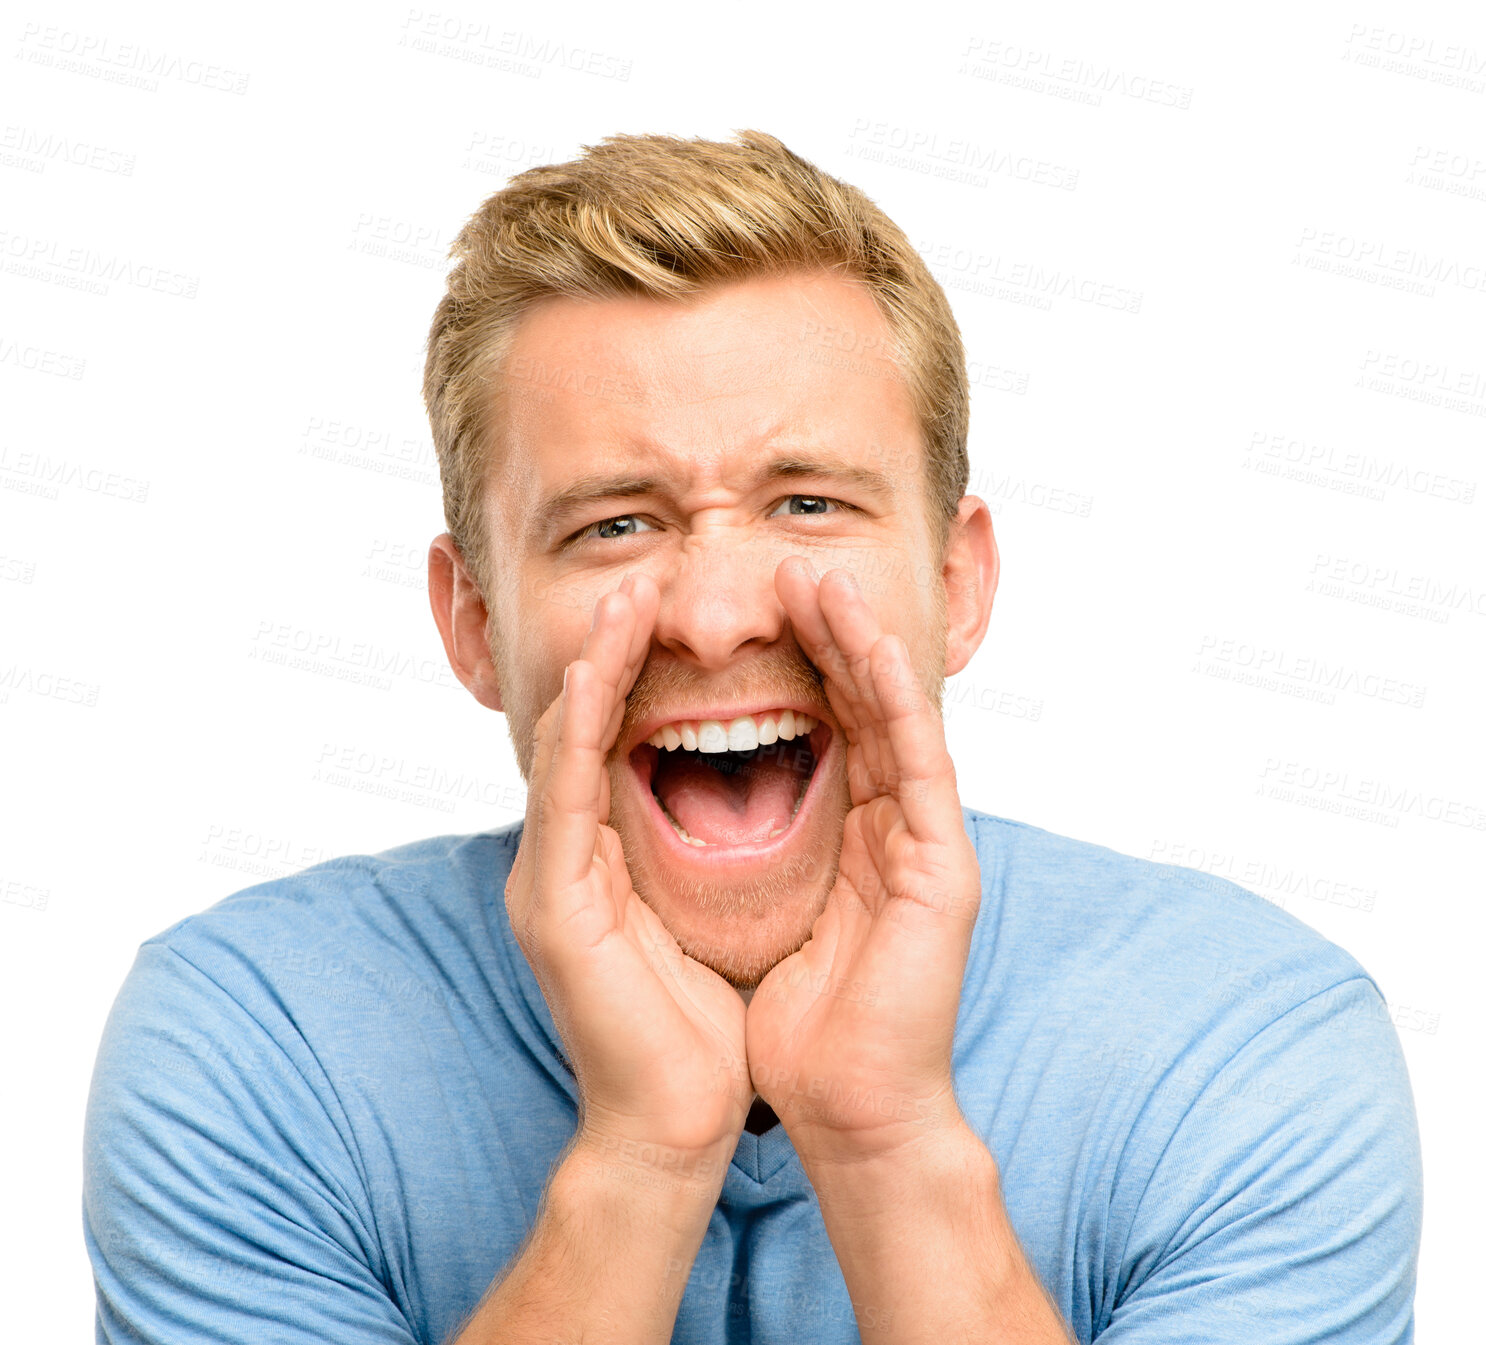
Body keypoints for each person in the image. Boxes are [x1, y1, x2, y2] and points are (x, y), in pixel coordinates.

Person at [83, 130, 1422, 1344]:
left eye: (809, 505)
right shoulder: (254, 1043)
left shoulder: (1244, 1044)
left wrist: (884, 1140)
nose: (716, 618)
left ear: (955, 585)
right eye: (614, 522)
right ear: (475, 621)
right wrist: (642, 1159)